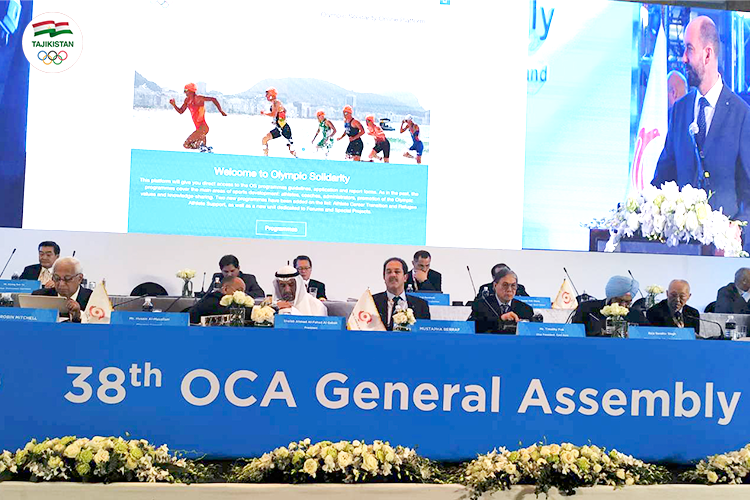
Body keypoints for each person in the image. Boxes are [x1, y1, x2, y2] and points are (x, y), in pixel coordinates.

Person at [652, 16, 750, 244]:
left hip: (723, 252)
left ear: (707, 54)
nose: (683, 58)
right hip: (681, 248)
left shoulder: (742, 115)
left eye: (689, 49)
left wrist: (739, 228)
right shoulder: (679, 111)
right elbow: (662, 179)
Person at [571, 275, 644, 336]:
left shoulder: (636, 315)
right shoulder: (587, 308)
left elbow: (647, 335)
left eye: (628, 302)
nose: (623, 305)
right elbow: (574, 334)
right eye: (620, 301)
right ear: (611, 296)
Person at [468, 268, 533, 334]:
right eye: (505, 285)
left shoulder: (525, 309)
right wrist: (500, 320)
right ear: (495, 285)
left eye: (513, 285)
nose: (509, 289)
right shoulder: (481, 305)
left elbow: (532, 332)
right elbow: (470, 328)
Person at [372, 257, 430, 331]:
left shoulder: (421, 305)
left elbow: (425, 333)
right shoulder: (372, 302)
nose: (393, 275)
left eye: (397, 272)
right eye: (389, 272)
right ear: (384, 277)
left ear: (405, 277)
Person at [169, 83, 227, 153]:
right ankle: (203, 147)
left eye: (186, 90)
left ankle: (202, 146)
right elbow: (181, 111)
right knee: (186, 145)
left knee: (186, 144)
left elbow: (213, 99)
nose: (184, 92)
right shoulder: (187, 101)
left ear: (191, 91)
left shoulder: (198, 98)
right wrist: (174, 105)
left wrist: (221, 111)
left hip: (203, 128)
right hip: (199, 129)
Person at [31, 257, 91, 323]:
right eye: (57, 278)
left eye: (67, 279)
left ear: (79, 278)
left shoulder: (91, 298)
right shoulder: (40, 297)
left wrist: (79, 315)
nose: (61, 284)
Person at [261, 87, 296, 157]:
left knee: (291, 150)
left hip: (284, 129)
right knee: (264, 139)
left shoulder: (276, 102)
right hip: (279, 128)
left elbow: (273, 114)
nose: (266, 96)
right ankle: (265, 157)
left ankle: (299, 158)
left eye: (267, 94)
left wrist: (264, 113)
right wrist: (277, 120)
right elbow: (283, 111)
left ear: (271, 94)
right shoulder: (275, 103)